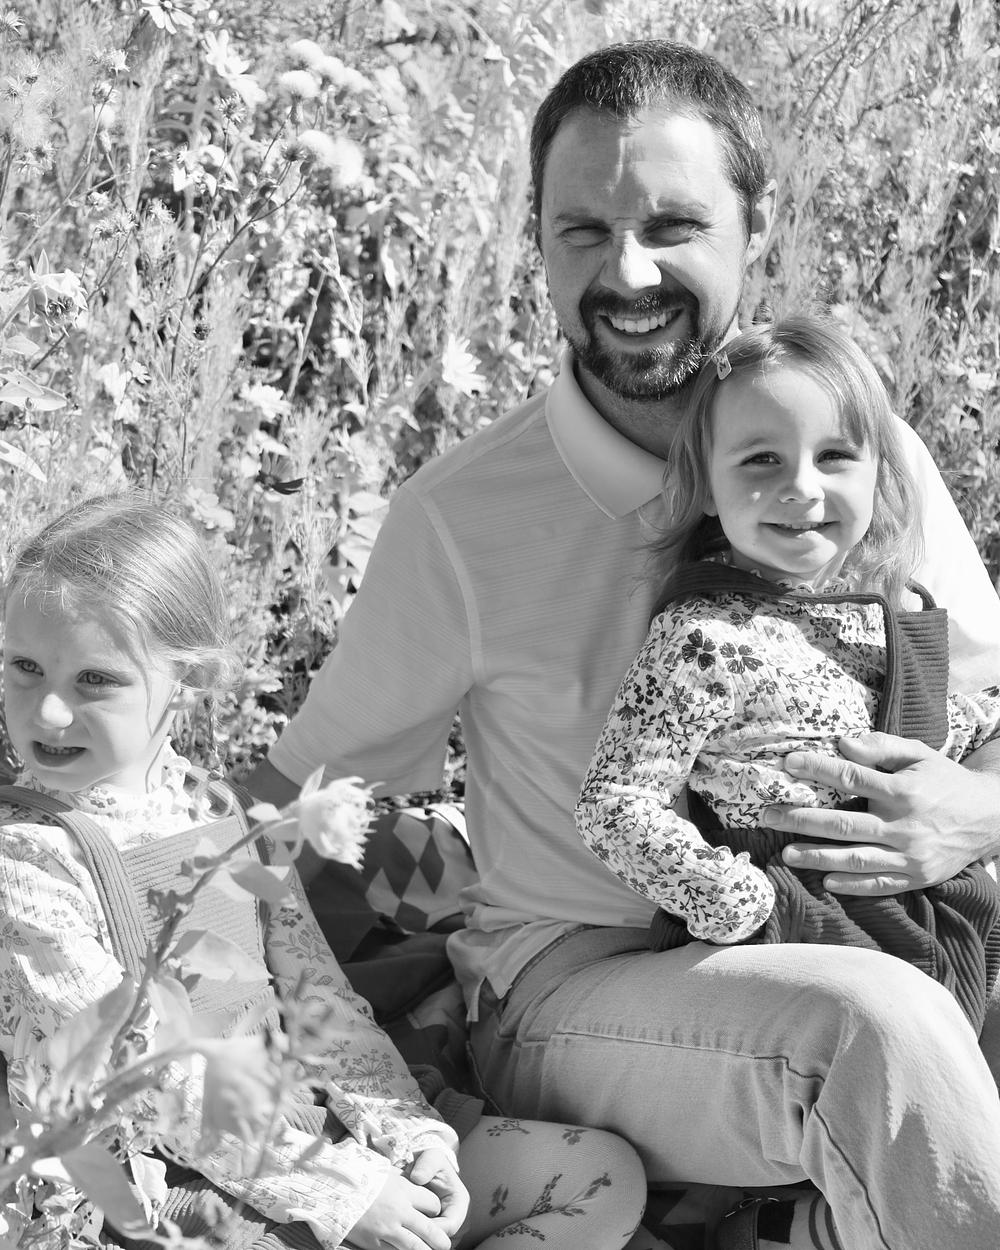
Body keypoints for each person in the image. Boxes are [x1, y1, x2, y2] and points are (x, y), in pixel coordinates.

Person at [244, 40, 1000, 1250]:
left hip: (879, 918)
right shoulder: (461, 517)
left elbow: (985, 712)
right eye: (583, 230)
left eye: (674, 225)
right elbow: (293, 810)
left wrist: (971, 811)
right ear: (537, 244)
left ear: (756, 228)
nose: (628, 270)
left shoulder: (861, 456)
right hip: (584, 984)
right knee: (872, 1029)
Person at [0, 493, 648, 1250]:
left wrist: (410, 1135)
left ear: (190, 678)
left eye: (95, 680)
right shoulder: (28, 861)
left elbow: (320, 998)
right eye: (25, 668)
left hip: (304, 1125)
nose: (47, 712)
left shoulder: (218, 810)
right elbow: (136, 1081)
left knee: (600, 1176)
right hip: (164, 1183)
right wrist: (344, 1193)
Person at [575, 314, 1000, 1036]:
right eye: (761, 460)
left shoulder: (887, 616)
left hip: (922, 906)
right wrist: (734, 899)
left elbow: (955, 726)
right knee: (890, 1044)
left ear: (879, 477)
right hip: (792, 918)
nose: (802, 487)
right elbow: (614, 803)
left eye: (834, 456)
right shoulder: (704, 637)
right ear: (706, 487)